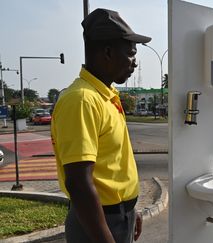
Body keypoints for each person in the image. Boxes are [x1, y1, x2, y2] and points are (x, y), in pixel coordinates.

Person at [51, 8, 151, 243]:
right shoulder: (82, 100)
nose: (134, 62)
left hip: (117, 217)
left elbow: (112, 166)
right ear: (107, 52)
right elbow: (78, 183)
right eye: (130, 54)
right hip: (96, 223)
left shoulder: (106, 95)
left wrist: (130, 210)